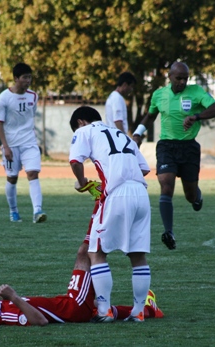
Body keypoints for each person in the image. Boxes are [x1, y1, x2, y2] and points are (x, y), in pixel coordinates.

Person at [0, 242, 164, 326]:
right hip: (73, 306)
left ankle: (148, 310)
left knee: (105, 309)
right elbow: (40, 321)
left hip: (68, 304)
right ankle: (107, 226)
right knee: (85, 253)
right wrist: (13, 296)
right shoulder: (6, 315)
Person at [69, 106, 152, 323]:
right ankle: (138, 311)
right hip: (141, 194)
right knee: (138, 255)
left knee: (96, 251)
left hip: (117, 194)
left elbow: (75, 161)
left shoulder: (84, 131)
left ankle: (104, 310)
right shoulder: (122, 135)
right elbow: (143, 169)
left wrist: (82, 182)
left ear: (80, 122)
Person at [132, 61, 215, 250]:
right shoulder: (159, 95)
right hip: (166, 146)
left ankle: (197, 197)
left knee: (190, 194)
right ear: (170, 77)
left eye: (185, 78)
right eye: (178, 78)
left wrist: (196, 117)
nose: (182, 82)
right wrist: (138, 134)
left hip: (189, 148)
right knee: (166, 187)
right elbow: (150, 116)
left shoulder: (196, 92)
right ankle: (169, 232)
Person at [0, 62, 46, 224]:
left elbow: (31, 117)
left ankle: (37, 211)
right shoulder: (4, 98)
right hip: (11, 145)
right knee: (12, 178)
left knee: (33, 173)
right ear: (16, 78)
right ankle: (13, 211)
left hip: (29, 142)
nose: (28, 81)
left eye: (30, 77)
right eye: (25, 77)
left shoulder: (33, 96)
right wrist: (6, 147)